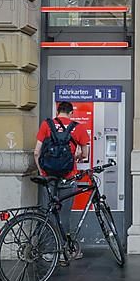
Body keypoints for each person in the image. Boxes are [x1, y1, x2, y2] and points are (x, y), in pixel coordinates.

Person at [34, 101, 90, 261]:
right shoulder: (77, 128)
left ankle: (49, 251)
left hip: (49, 178)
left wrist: (42, 172)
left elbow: (36, 152)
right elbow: (85, 154)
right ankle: (64, 252)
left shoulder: (46, 125)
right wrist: (75, 157)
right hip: (68, 178)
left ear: (57, 111)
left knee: (48, 213)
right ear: (71, 113)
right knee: (64, 215)